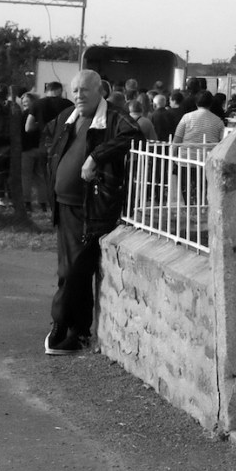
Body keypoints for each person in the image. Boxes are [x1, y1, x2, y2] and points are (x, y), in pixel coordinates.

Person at [44, 69, 138, 355]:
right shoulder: (67, 117)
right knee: (72, 270)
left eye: (84, 90)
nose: (78, 95)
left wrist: (96, 156)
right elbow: (49, 137)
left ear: (100, 91)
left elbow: (133, 136)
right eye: (75, 90)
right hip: (63, 204)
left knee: (74, 269)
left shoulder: (114, 118)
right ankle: (78, 330)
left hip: (92, 207)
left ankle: (61, 323)